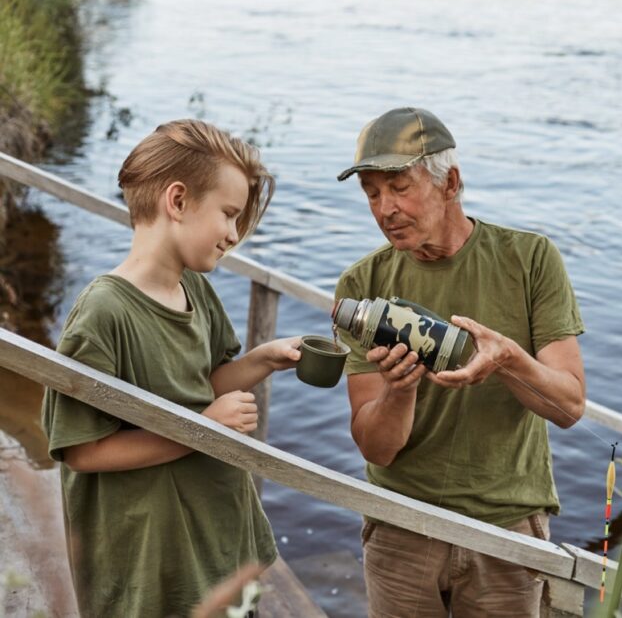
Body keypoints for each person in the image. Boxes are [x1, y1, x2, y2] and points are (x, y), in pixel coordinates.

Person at [41, 119, 301, 617]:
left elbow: (202, 387)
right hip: (150, 554)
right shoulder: (103, 313)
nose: (232, 235)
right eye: (228, 214)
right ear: (177, 201)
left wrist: (261, 360)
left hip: (214, 531)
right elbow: (82, 450)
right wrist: (201, 430)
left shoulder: (195, 289)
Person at [334, 106, 586, 617]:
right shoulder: (362, 288)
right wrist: (399, 390)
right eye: (372, 194)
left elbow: (568, 406)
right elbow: (377, 449)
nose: (385, 209)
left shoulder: (530, 260)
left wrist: (508, 359)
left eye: (399, 187)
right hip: (401, 524)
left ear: (450, 183)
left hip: (507, 531)